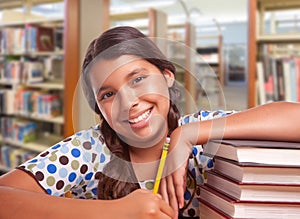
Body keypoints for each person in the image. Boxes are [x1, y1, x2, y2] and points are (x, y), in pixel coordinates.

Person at [0, 26, 300, 219]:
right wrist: (112, 214)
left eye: (139, 79)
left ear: (167, 76)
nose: (128, 102)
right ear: (99, 110)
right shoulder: (89, 150)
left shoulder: (202, 135)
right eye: (107, 94)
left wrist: (188, 134)